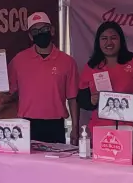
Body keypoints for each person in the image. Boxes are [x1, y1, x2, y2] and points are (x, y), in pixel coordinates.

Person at [76, 20, 133, 156]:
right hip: (104, 135)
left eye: (113, 38)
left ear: (121, 40)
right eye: (104, 39)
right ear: (98, 42)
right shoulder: (91, 67)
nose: (109, 43)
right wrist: (92, 100)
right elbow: (81, 99)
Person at [5, 12, 78, 145]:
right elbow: (5, 91)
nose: (41, 33)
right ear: (30, 36)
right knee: (28, 165)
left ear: (52, 30)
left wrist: (75, 128)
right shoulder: (19, 60)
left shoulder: (67, 62)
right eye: (35, 31)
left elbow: (73, 98)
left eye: (44, 29)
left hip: (56, 125)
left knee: (55, 164)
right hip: (27, 124)